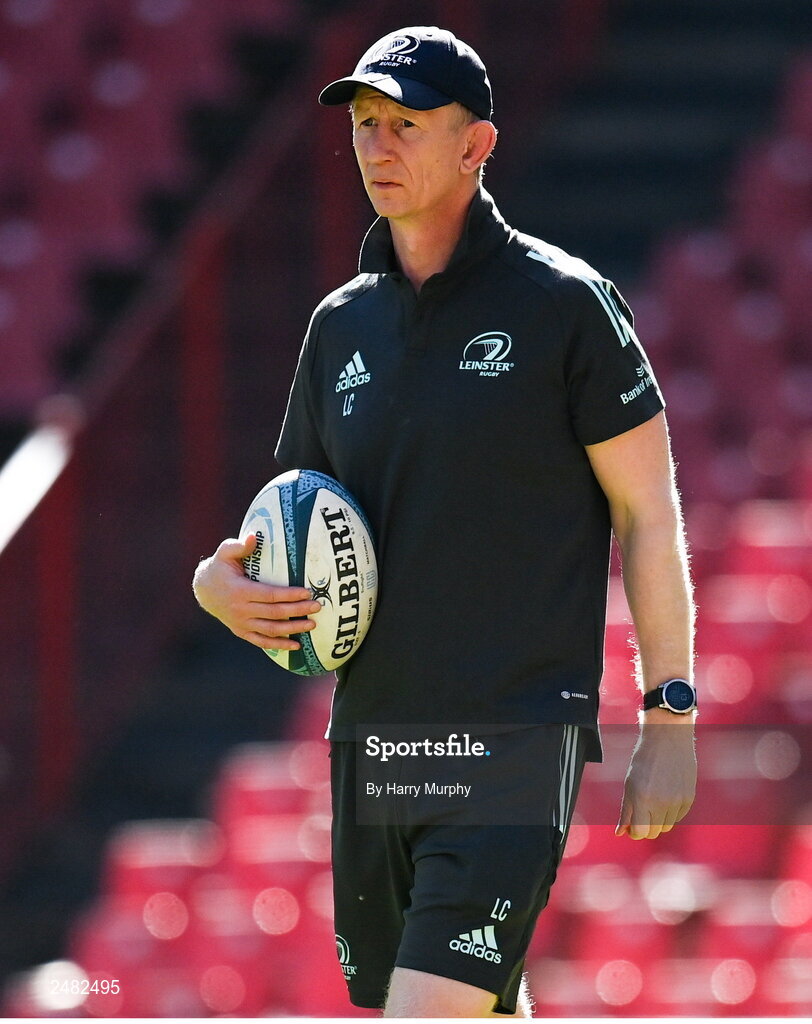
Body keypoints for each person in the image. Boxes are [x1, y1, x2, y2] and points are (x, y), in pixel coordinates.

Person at [193, 26, 697, 1018]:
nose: (377, 146)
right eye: (365, 124)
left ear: (477, 145)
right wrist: (220, 587)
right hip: (375, 741)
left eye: (407, 125)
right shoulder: (339, 324)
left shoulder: (565, 305)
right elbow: (290, 526)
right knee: (471, 1008)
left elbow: (647, 513)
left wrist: (669, 715)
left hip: (513, 738)